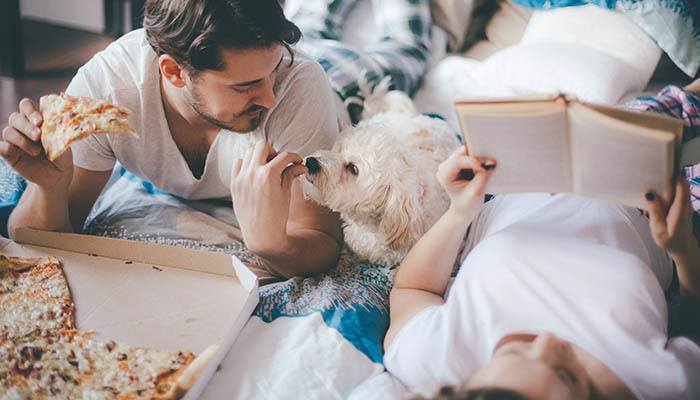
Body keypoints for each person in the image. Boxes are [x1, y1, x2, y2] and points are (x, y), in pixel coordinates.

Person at [0, 0, 433, 280]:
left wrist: (273, 246)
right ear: (173, 72)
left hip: (340, 81)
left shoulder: (295, 86)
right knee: (318, 21)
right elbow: (42, 236)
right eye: (244, 86)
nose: (268, 97)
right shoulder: (107, 92)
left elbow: (319, 239)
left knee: (405, 51)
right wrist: (48, 187)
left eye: (271, 71)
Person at [383, 83, 700, 399]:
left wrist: (458, 212)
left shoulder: (431, 357)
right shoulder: (658, 387)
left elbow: (413, 290)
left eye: (513, 353)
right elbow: (690, 330)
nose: (549, 341)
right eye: (568, 375)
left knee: (658, 110)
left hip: (530, 175)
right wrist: (684, 250)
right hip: (664, 210)